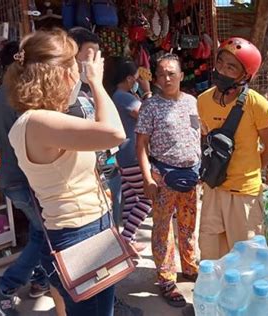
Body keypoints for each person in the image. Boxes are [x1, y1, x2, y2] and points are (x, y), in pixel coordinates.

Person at [5, 29, 126, 315]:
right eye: (74, 65)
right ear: (57, 74)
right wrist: (97, 83)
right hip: (81, 234)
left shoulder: (35, 121)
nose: (79, 73)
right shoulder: (39, 122)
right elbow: (115, 133)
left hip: (81, 230)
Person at [66, 27, 143, 316]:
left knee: (105, 246)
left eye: (98, 55)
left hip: (104, 174)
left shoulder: (89, 91)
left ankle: (111, 303)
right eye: (90, 55)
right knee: (83, 260)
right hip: (80, 190)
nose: (97, 62)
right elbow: (114, 133)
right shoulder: (66, 96)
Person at [0, 41, 50, 316]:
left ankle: (40, 280)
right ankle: (5, 286)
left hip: (11, 178)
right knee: (45, 237)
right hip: (27, 179)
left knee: (40, 233)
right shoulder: (21, 95)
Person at [197, 37, 268, 260]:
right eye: (220, 62)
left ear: (245, 75)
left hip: (244, 195)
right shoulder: (202, 101)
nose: (222, 70)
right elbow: (205, 141)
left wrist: (248, 172)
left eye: (231, 67)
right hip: (213, 188)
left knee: (246, 259)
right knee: (211, 254)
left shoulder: (257, 104)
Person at [136, 53, 200, 307]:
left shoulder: (192, 102)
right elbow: (141, 145)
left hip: (190, 176)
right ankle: (166, 278)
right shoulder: (151, 105)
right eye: (161, 73)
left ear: (181, 76)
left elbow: (198, 135)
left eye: (171, 73)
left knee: (188, 225)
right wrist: (146, 178)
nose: (166, 78)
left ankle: (190, 267)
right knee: (162, 229)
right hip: (162, 176)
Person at [111, 58, 153, 251]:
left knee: (132, 198)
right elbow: (149, 114)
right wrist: (147, 90)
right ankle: (126, 238)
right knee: (147, 198)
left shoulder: (118, 96)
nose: (138, 80)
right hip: (133, 155)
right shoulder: (125, 98)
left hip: (123, 154)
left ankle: (130, 238)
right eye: (136, 78)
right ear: (129, 79)